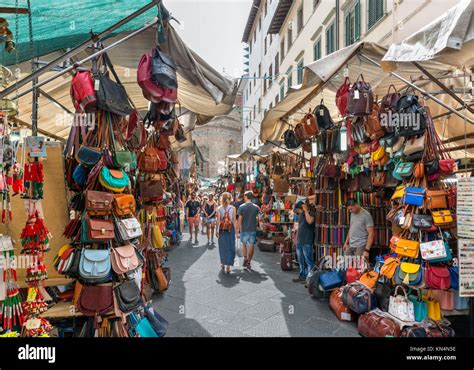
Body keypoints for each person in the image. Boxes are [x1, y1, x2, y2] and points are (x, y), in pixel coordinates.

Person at [343, 198, 374, 262]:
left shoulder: (366, 215)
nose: (350, 211)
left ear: (356, 205)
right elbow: (351, 228)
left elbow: (371, 234)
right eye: (349, 210)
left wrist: (366, 250)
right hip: (351, 245)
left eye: (351, 209)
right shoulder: (352, 214)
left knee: (359, 268)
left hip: (361, 246)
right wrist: (346, 243)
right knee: (347, 265)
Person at [292, 200, 316, 284]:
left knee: (309, 261)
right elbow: (300, 227)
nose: (298, 212)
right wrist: (296, 239)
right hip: (300, 241)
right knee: (300, 260)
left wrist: (306, 211)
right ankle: (302, 276)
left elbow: (310, 221)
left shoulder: (312, 213)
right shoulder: (301, 215)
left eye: (299, 210)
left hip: (307, 241)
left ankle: (309, 279)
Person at [237, 191, 260, 269]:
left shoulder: (241, 207)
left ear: (246, 197)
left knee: (244, 244)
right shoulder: (256, 207)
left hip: (244, 229)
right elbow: (258, 219)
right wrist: (255, 224)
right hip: (252, 229)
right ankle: (249, 261)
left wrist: (239, 229)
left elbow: (240, 219)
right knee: (252, 245)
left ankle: (245, 258)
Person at [215, 192, 238, 274]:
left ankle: (223, 263)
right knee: (231, 246)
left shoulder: (219, 208)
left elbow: (218, 221)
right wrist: (236, 232)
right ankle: (228, 266)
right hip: (230, 229)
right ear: (229, 199)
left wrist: (216, 231)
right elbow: (234, 221)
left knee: (222, 247)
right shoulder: (233, 208)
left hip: (222, 229)